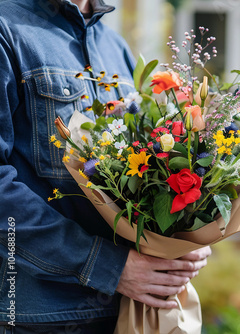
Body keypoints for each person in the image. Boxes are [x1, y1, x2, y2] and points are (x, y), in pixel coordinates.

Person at [0, 0, 211, 332]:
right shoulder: (6, 27)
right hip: (43, 316)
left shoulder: (114, 46)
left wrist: (188, 236)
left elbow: (149, 172)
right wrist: (110, 267)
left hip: (133, 314)